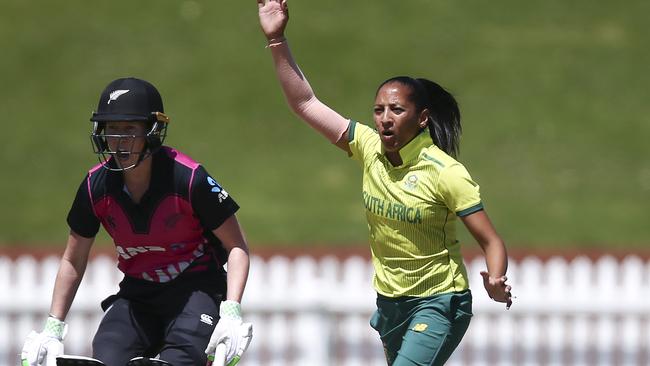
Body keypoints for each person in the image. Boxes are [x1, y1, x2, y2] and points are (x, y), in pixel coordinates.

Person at [257, 1, 513, 365]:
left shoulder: (446, 172)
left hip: (440, 302)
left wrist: (496, 280)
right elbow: (304, 103)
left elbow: (491, 240)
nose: (385, 119)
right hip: (391, 303)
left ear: (422, 118)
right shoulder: (367, 146)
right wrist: (277, 38)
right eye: (379, 110)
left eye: (397, 110)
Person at [20, 77, 253, 366]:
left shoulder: (189, 178)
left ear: (152, 132)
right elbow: (73, 259)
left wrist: (231, 312)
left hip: (197, 289)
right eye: (112, 130)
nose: (119, 140)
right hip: (138, 293)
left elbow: (237, 247)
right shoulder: (96, 187)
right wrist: (52, 329)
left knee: (182, 358)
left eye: (129, 129)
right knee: (108, 351)